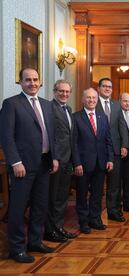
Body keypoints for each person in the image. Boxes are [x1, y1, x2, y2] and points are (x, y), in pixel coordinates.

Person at [0, 68, 57, 263]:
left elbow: (51, 134)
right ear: (21, 82)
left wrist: (54, 157)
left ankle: (35, 241)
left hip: (44, 163)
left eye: (35, 80)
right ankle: (17, 248)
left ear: (40, 82)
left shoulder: (47, 105)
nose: (32, 83)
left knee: (40, 206)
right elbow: (6, 137)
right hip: (22, 166)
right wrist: (15, 161)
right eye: (28, 80)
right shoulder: (11, 104)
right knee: (18, 208)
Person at [72, 88, 114, 234]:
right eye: (88, 98)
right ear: (83, 99)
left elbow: (108, 140)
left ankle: (95, 219)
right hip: (83, 164)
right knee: (82, 194)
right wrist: (76, 163)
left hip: (101, 162)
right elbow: (74, 143)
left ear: (97, 100)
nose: (91, 100)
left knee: (97, 194)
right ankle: (83, 222)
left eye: (94, 98)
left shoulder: (102, 116)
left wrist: (110, 159)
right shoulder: (76, 117)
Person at [44, 80, 78, 243]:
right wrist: (54, 158)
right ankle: (50, 231)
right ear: (54, 91)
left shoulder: (68, 109)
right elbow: (50, 136)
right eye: (61, 91)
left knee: (62, 197)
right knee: (52, 197)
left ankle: (58, 227)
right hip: (56, 161)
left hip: (67, 160)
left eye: (67, 91)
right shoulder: (49, 108)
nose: (64, 94)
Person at [96, 78, 129, 222]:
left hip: (115, 150)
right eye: (104, 86)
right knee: (97, 185)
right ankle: (95, 215)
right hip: (97, 150)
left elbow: (122, 126)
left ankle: (113, 211)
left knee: (114, 184)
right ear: (99, 88)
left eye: (110, 86)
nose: (107, 89)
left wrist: (124, 145)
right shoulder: (92, 102)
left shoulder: (116, 105)